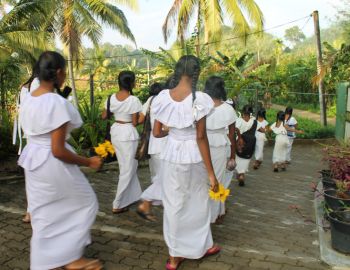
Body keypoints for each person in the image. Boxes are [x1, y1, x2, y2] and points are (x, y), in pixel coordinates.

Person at [18, 51, 102, 270]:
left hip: (33, 161)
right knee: (85, 202)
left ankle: (45, 261)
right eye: (64, 71)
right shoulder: (56, 103)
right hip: (51, 162)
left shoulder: (28, 98)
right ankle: (71, 258)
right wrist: (88, 162)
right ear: (58, 73)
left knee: (43, 213)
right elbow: (57, 150)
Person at [152, 55, 221, 270]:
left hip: (172, 154)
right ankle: (200, 245)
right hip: (193, 155)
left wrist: (175, 130)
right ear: (196, 73)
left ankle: (174, 256)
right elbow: (201, 137)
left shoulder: (163, 97)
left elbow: (156, 132)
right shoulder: (199, 98)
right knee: (198, 201)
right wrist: (211, 174)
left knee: (173, 204)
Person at [102, 71, 142, 214]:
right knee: (128, 168)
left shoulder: (111, 98)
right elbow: (136, 122)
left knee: (126, 166)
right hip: (128, 133)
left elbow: (104, 115)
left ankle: (132, 196)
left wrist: (116, 111)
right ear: (131, 83)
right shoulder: (133, 100)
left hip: (116, 132)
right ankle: (118, 203)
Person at [204, 76, 237, 224]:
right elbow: (232, 135)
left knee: (204, 180)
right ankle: (215, 213)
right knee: (218, 179)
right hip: (220, 146)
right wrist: (233, 156)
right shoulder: (228, 109)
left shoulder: (200, 106)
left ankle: (212, 212)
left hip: (201, 144)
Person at [137, 82, 167, 221]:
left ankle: (162, 204)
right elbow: (166, 127)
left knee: (157, 177)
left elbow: (141, 119)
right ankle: (147, 202)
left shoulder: (150, 100)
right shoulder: (167, 100)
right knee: (164, 178)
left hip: (153, 145)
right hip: (164, 145)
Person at [235, 105, 257, 186]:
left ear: (243, 112)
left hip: (240, 143)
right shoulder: (254, 121)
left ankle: (239, 174)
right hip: (250, 144)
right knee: (245, 160)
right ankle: (242, 175)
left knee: (238, 158)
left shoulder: (238, 121)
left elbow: (235, 130)